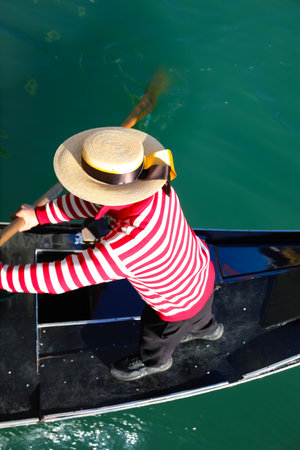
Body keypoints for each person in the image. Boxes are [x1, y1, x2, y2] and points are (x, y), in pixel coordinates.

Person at [0, 127, 223, 381]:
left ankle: (155, 362)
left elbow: (57, 279)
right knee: (201, 312)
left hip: (175, 302)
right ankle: (209, 329)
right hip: (201, 269)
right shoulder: (156, 186)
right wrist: (38, 215)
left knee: (156, 334)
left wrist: (2, 275)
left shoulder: (125, 247)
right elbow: (90, 202)